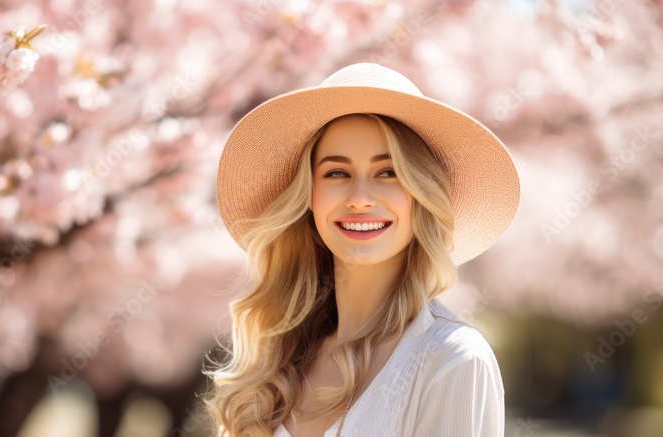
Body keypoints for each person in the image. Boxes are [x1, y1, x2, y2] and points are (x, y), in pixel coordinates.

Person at [204, 63, 520, 437]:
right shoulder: (278, 359)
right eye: (336, 173)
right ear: (308, 197)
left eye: (388, 172)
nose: (359, 199)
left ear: (421, 196)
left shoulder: (452, 360)